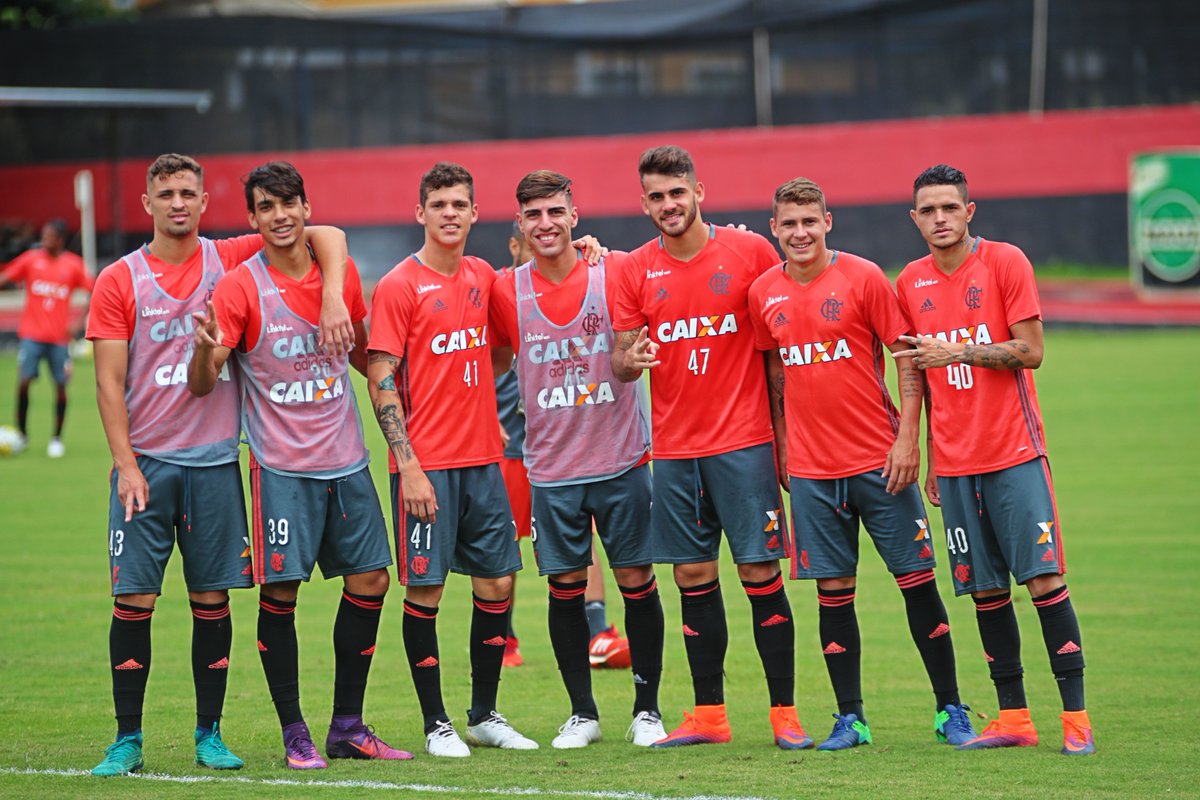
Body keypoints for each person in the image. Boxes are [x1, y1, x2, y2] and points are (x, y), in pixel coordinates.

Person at [85, 153, 355, 777]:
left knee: (212, 602)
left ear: (206, 203)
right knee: (134, 601)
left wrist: (336, 291)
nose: (178, 203)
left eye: (188, 193)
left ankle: (210, 734)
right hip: (147, 467)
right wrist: (125, 465)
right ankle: (127, 739)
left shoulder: (228, 259)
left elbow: (326, 234)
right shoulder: (119, 280)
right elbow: (108, 382)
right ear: (149, 202)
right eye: (166, 193)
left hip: (214, 466)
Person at [188, 161, 408, 769]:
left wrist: (412, 386)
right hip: (281, 469)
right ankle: (294, 731)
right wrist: (204, 354)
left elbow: (365, 355)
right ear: (252, 217)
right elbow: (205, 383)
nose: (279, 216)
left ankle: (348, 726)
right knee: (280, 593)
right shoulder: (239, 288)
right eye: (265, 207)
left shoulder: (340, 271)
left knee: (372, 581)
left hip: (348, 462)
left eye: (288, 203)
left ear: (305, 208)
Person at [748, 177, 975, 751]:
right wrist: (782, 447)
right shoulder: (762, 293)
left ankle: (951, 709)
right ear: (774, 229)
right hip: (812, 471)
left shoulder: (864, 277)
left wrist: (907, 440)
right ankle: (851, 718)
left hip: (880, 462)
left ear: (828, 222)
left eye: (809, 221)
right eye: (788, 224)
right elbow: (775, 374)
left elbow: (906, 356)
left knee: (918, 584)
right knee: (833, 592)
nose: (800, 233)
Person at [893, 164, 1094, 756]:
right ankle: (1013, 718)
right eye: (928, 211)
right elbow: (913, 369)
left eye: (949, 208)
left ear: (969, 211)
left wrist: (958, 348)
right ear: (915, 219)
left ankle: (1076, 718)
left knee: (1044, 581)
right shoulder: (909, 281)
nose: (939, 219)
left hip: (1014, 453)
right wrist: (923, 448)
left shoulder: (1006, 262)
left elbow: (1031, 351)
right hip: (954, 466)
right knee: (984, 591)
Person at [611, 145, 804, 750]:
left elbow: (778, 356)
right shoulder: (633, 268)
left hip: (744, 445)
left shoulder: (749, 252)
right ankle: (709, 715)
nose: (668, 204)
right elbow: (620, 359)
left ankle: (784, 715)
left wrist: (785, 440)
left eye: (677, 192)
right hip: (673, 451)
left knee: (759, 571)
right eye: (657, 196)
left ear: (699, 191)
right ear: (644, 202)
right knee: (692, 574)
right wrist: (630, 360)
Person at [490, 170, 666, 748]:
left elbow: (669, 266)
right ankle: (583, 714)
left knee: (637, 581)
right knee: (563, 589)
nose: (546, 223)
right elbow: (485, 360)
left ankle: (647, 711)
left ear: (574, 216)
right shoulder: (504, 290)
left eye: (555, 212)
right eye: (534, 214)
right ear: (519, 223)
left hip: (620, 461)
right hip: (552, 471)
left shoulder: (610, 271)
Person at [367, 162, 536, 758]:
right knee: (426, 592)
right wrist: (408, 465)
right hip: (427, 467)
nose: (449, 213)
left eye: (459, 203)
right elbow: (381, 379)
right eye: (438, 203)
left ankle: (485, 714)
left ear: (473, 212)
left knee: (497, 582)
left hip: (484, 460)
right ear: (421, 213)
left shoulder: (483, 276)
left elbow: (502, 351)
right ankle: (437, 722)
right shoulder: (397, 286)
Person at [496, 222, 631, 672]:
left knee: (583, 538)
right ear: (516, 243)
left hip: (567, 446)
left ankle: (599, 633)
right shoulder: (502, 293)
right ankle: (506, 637)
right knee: (505, 545)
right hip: (509, 444)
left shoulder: (586, 275)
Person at [0, 218, 93, 457]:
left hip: (59, 339)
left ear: (60, 240)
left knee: (61, 387)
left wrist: (79, 322)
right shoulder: (31, 260)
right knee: (23, 383)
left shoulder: (72, 265)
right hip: (31, 335)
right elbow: (6, 278)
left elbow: (94, 292)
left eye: (50, 236)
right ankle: (21, 435)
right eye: (44, 235)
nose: (45, 240)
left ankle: (56, 439)